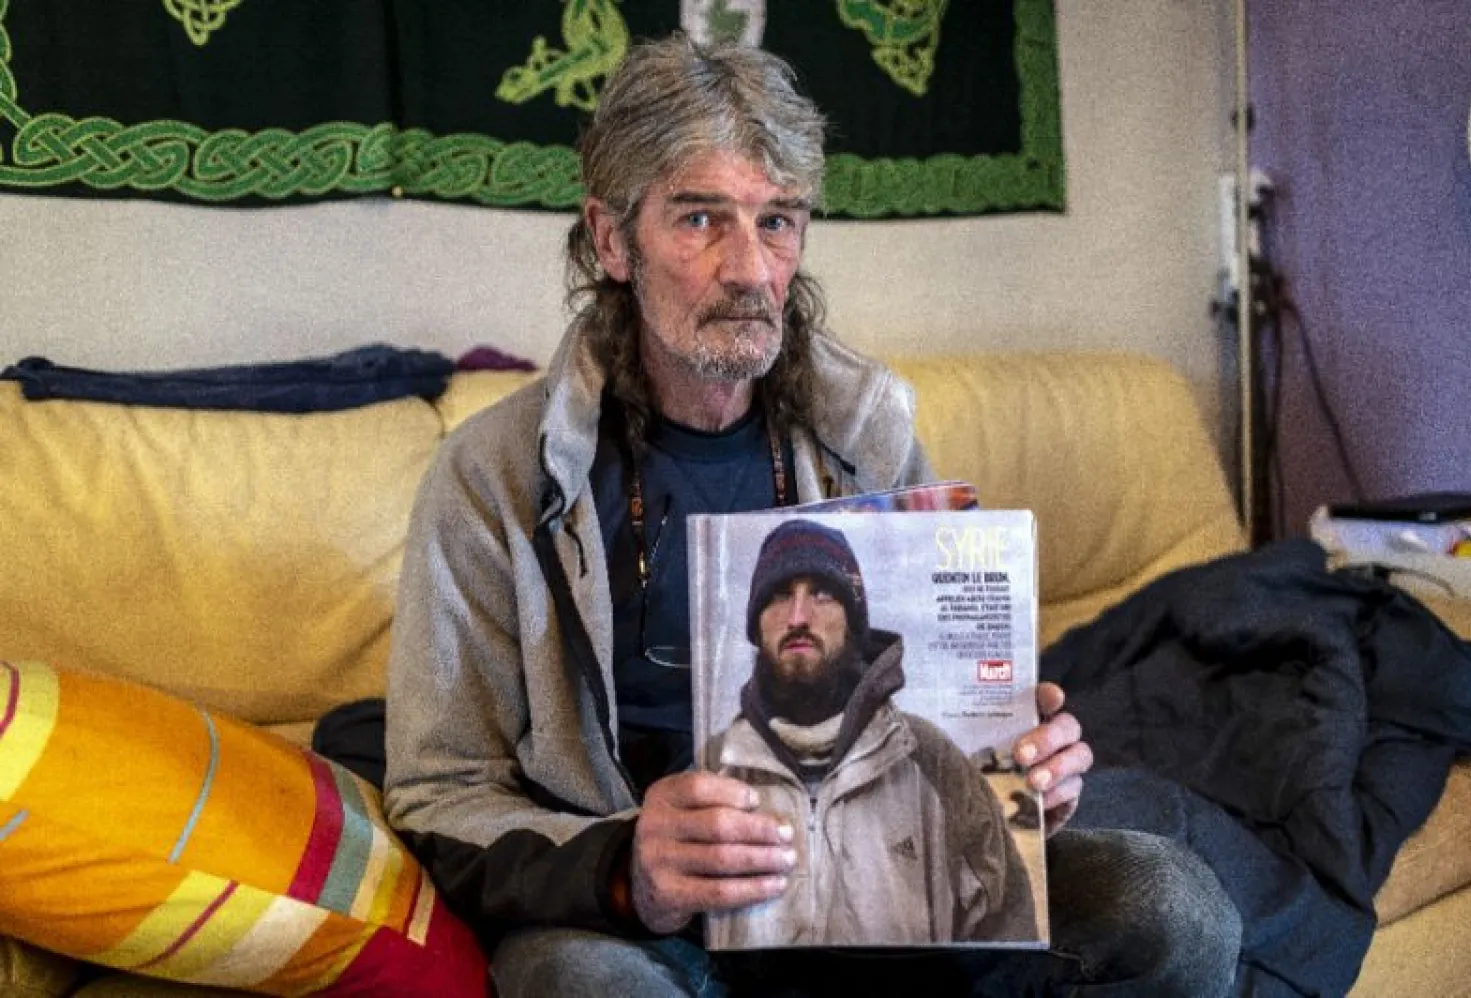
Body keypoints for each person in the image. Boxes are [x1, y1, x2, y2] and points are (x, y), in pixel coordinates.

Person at [382, 33, 1241, 998]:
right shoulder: (494, 476)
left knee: (1172, 906)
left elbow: (936, 728)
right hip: (648, 925)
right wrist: (626, 869)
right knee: (584, 986)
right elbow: (438, 793)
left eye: (779, 221)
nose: (751, 268)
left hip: (876, 888)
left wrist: (1019, 777)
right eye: (701, 219)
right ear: (613, 240)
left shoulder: (867, 437)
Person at [704, 518, 1038, 948]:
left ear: (853, 623)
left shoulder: (931, 759)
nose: (798, 616)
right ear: (757, 625)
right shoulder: (714, 769)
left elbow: (1007, 934)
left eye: (823, 593)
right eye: (779, 595)